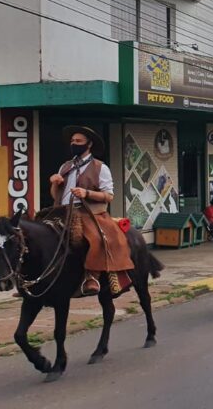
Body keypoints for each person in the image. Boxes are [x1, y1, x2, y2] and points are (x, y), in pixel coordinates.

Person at [48, 126, 134, 297]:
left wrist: (86, 193)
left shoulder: (100, 167)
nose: (74, 144)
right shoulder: (65, 166)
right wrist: (54, 183)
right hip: (62, 211)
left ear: (89, 144)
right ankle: (34, 279)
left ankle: (92, 276)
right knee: (37, 233)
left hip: (88, 213)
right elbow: (54, 195)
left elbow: (109, 196)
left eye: (78, 141)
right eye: (72, 141)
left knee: (95, 238)